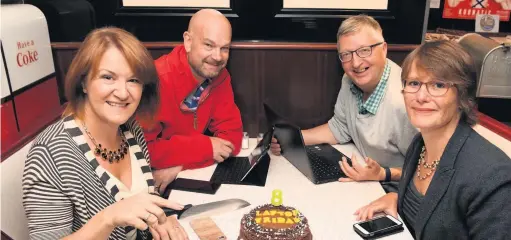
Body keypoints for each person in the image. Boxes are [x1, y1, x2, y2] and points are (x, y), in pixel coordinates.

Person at [22, 27, 188, 240]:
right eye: (108, 77)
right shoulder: (49, 154)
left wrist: (160, 221)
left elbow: (142, 204)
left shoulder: (131, 130)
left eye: (134, 80)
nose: (122, 92)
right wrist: (108, 218)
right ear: (83, 82)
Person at [355, 40, 511, 239]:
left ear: (462, 95)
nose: (421, 96)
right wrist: (398, 198)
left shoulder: (493, 177)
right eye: (413, 83)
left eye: (438, 85)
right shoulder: (420, 145)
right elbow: (431, 209)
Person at [271, 15, 417, 187]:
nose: (355, 63)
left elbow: (428, 171)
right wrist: (291, 138)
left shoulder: (406, 101)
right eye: (346, 55)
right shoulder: (349, 80)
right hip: (368, 182)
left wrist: (383, 174)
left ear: (384, 49)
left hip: (397, 191)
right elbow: (339, 129)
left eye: (364, 50)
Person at [143, 9, 243, 193]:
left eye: (225, 48)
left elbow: (232, 141)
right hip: (147, 186)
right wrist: (205, 147)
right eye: (208, 45)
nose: (217, 56)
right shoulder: (156, 79)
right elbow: (143, 151)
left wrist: (178, 166)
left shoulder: (220, 76)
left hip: (180, 177)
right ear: (188, 41)